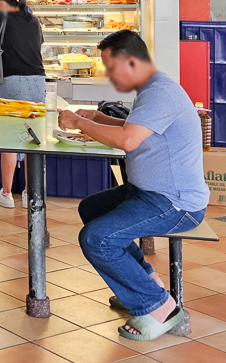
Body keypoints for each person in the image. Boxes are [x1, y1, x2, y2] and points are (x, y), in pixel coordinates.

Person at [58, 30, 208, 342]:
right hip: (147, 192)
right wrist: (99, 117)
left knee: (96, 239)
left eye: (111, 68)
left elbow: (127, 140)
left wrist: (81, 123)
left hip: (174, 202)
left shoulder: (160, 93)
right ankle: (145, 282)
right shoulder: (152, 88)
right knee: (92, 209)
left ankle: (159, 308)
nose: (109, 75)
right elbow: (134, 129)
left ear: (131, 62)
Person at [0, 0, 45, 209]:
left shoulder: (1, 16)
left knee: (9, 139)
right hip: (37, 82)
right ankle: (28, 193)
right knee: (32, 138)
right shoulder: (32, 19)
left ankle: (6, 194)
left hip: (13, 82)